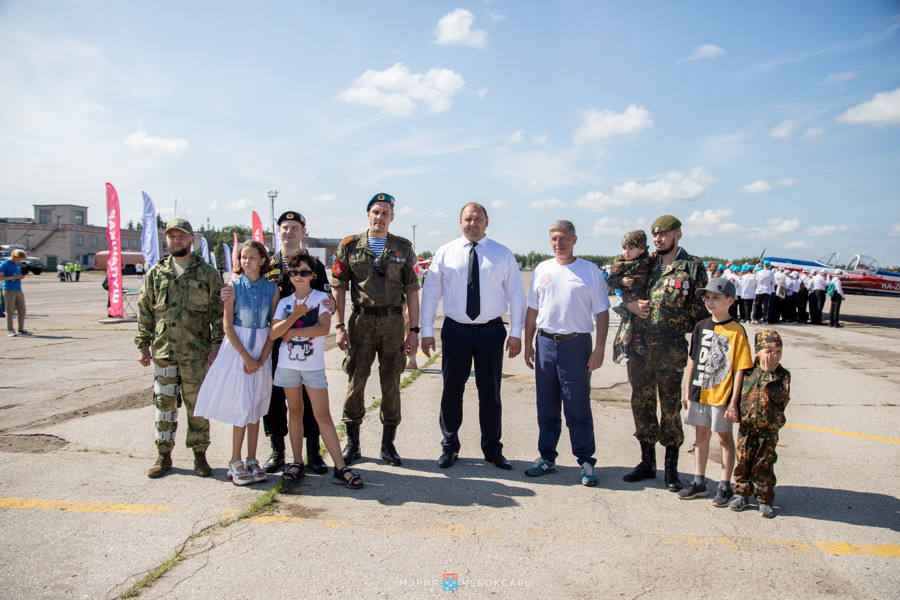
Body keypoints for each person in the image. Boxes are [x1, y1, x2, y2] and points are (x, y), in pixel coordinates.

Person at [222, 211, 336, 475]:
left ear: (303, 231)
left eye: (295, 227)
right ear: (279, 231)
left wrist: (330, 309)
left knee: (306, 400)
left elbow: (326, 297)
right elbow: (244, 282)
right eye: (285, 227)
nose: (289, 232)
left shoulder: (314, 265)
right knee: (274, 398)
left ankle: (312, 452)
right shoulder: (267, 263)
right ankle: (277, 450)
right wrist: (226, 291)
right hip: (271, 340)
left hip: (304, 341)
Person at [420, 203, 526, 470]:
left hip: (491, 331)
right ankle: (449, 445)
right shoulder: (445, 253)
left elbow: (516, 295)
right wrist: (426, 330)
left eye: (478, 219)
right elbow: (431, 294)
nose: (473, 223)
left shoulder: (502, 254)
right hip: (456, 330)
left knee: (491, 393)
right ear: (460, 222)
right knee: (451, 390)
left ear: (487, 222)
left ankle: (492, 448)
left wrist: (515, 333)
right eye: (468, 219)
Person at [331, 193, 420, 466]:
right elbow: (339, 287)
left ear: (392, 217)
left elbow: (412, 291)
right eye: (375, 212)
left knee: (391, 383)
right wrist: (338, 326)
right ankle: (353, 444)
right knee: (355, 381)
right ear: (368, 214)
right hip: (361, 323)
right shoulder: (349, 246)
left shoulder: (403, 247)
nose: (380, 217)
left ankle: (388, 445)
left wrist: (413, 330)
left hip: (393, 323)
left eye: (385, 213)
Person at [621, 215, 708, 492]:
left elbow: (701, 315)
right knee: (642, 401)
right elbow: (622, 296)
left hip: (670, 349)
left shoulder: (692, 268)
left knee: (670, 405)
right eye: (655, 236)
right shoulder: (643, 263)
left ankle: (671, 468)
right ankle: (647, 462)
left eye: (664, 235)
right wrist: (631, 307)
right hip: (639, 346)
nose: (658, 239)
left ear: (678, 235)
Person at [135, 219, 224, 479]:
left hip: (197, 353)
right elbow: (145, 311)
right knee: (164, 406)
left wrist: (217, 346)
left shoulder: (206, 273)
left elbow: (218, 314)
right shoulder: (156, 273)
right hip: (164, 352)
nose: (176, 241)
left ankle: (200, 455)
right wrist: (143, 345)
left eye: (181, 236)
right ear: (167, 240)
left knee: (197, 407)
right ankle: (163, 456)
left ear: (191, 239)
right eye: (171, 236)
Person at [523, 220, 610, 486]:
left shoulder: (589, 271)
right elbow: (532, 311)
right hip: (546, 344)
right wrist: (528, 343)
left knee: (577, 405)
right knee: (546, 406)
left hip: (576, 345)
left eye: (563, 238)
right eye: (553, 239)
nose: (558, 244)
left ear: (574, 240)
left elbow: (602, 312)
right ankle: (547, 457)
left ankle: (585, 461)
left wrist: (599, 348)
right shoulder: (542, 269)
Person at [270, 250, 362, 488]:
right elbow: (273, 333)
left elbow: (322, 329)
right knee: (295, 413)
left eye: (304, 272)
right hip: (287, 366)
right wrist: (296, 317)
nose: (298, 276)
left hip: (312, 368)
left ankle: (340, 468)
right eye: (294, 272)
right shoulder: (284, 302)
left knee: (322, 415)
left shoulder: (321, 298)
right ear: (289, 275)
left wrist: (290, 332)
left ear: (312, 274)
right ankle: (296, 462)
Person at [195, 240, 278, 486]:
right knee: (241, 405)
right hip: (238, 349)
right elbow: (227, 327)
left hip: (262, 347)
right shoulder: (232, 287)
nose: (247, 262)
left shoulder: (273, 290)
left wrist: (262, 358)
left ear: (263, 260)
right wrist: (247, 357)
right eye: (243, 257)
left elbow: (273, 326)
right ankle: (235, 460)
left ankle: (253, 458)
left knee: (255, 406)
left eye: (252, 257)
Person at [677, 278, 754, 506]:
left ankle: (724, 484)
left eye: (716, 298)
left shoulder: (737, 331)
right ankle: (699, 482)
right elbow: (692, 360)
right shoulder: (700, 326)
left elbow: (740, 368)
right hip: (698, 393)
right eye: (707, 298)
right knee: (700, 436)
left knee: (724, 438)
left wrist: (734, 401)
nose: (710, 302)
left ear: (730, 300)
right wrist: (686, 390)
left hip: (722, 395)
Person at [730, 329, 790, 518]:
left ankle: (764, 498)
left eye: (778, 351)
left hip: (768, 429)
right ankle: (742, 493)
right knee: (743, 461)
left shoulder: (782, 375)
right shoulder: (747, 371)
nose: (774, 355)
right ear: (757, 352)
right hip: (747, 427)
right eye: (769, 351)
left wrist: (769, 374)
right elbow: (737, 392)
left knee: (764, 464)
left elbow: (781, 397)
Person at [606, 230, 652, 362]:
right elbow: (611, 280)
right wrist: (622, 282)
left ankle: (631, 345)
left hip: (644, 297)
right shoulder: (621, 263)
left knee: (642, 322)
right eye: (624, 248)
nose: (626, 252)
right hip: (630, 299)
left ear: (642, 249)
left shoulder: (648, 261)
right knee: (630, 323)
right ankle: (627, 347)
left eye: (631, 249)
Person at [1, 249, 32, 337]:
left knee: (22, 310)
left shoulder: (17, 264)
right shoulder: (5, 264)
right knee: (10, 311)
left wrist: (21, 276)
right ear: (14, 256)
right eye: (18, 259)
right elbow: (0, 277)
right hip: (9, 289)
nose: (19, 261)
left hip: (18, 289)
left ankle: (21, 329)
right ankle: (10, 330)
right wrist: (14, 277)